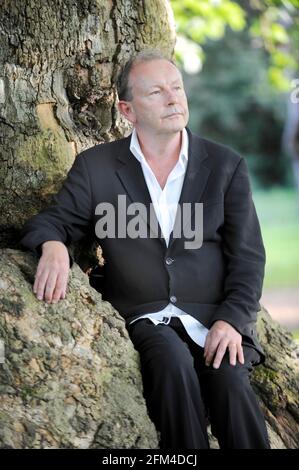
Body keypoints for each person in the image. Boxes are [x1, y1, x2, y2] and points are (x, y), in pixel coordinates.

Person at [20, 49, 270, 449]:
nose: (174, 99)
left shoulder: (225, 165)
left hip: (213, 318)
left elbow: (248, 258)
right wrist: (53, 246)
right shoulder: (96, 167)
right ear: (127, 110)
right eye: (156, 92)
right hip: (144, 316)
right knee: (170, 364)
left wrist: (231, 321)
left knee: (230, 380)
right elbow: (53, 221)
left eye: (177, 88)